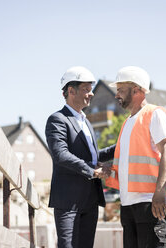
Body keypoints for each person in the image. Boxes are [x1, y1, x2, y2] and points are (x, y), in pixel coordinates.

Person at [106, 66, 166, 248]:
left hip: (150, 202)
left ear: (136, 90)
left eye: (120, 90)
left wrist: (160, 192)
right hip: (128, 204)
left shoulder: (154, 114)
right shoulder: (127, 123)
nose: (116, 95)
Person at [45, 66, 115, 248]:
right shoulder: (58, 119)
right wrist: (92, 170)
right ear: (70, 91)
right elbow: (60, 154)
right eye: (86, 89)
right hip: (68, 201)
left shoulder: (86, 122)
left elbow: (92, 156)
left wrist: (122, 146)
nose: (91, 94)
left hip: (89, 201)